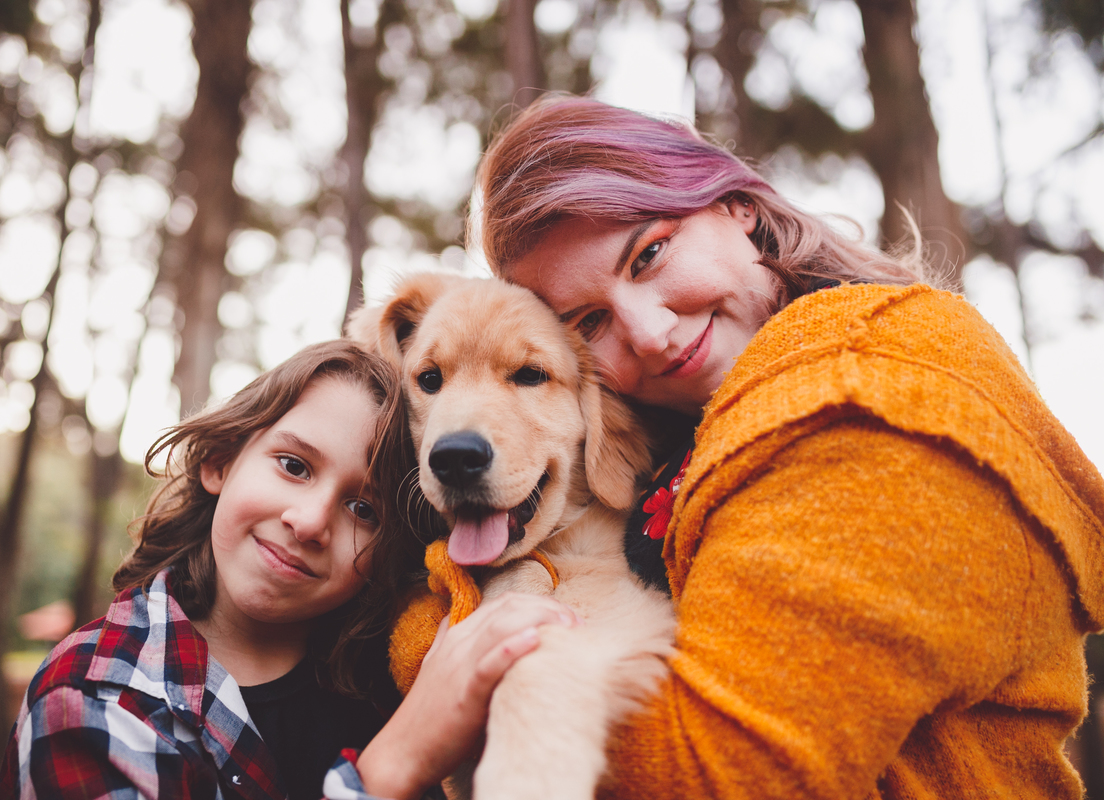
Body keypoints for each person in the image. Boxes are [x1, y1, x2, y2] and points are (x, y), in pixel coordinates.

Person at [468, 95, 1104, 798]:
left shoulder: (872, 387)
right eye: (588, 322)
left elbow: (726, 770)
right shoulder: (674, 443)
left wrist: (437, 663)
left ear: (735, 204)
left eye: (649, 254)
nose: (648, 333)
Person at [0, 340, 576, 800]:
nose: (309, 521)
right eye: (294, 466)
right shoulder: (96, 697)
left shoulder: (396, 670)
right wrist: (399, 759)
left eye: (363, 509)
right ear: (222, 461)